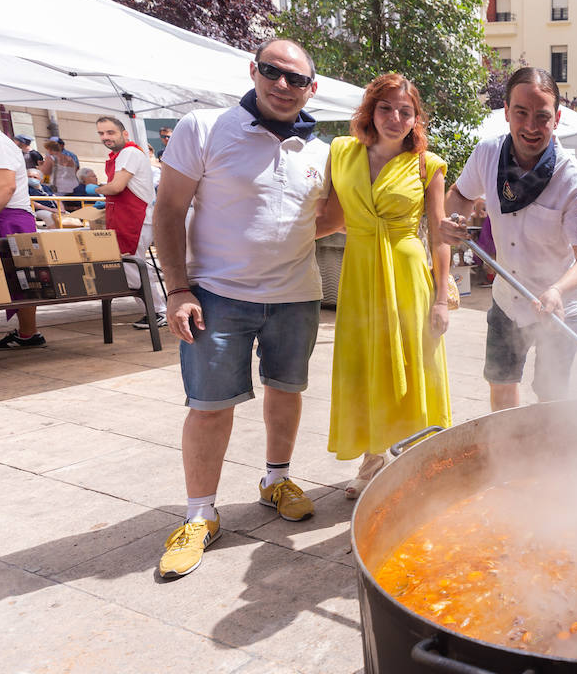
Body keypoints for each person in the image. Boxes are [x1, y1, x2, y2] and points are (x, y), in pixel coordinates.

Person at [152, 38, 330, 578]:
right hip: (216, 296)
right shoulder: (204, 127)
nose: (283, 86)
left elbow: (332, 217)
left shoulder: (320, 150)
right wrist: (178, 289)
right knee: (210, 404)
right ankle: (200, 514)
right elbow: (168, 210)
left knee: (286, 391)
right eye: (274, 73)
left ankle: (275, 480)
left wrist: (289, 241)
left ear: (311, 89)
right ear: (254, 71)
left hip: (296, 295)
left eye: (296, 80)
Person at [317, 73, 452, 499]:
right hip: (359, 273)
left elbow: (439, 233)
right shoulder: (342, 153)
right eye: (386, 108)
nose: (395, 118)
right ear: (370, 111)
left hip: (409, 274)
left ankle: (421, 460)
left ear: (416, 119)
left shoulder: (426, 164)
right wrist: (277, 236)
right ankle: (373, 461)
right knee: (365, 366)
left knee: (417, 367)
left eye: (405, 112)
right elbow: (331, 218)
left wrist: (443, 295)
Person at [439, 67, 577, 411]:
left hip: (560, 308)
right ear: (506, 113)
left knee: (550, 396)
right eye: (521, 113)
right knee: (501, 382)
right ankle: (508, 456)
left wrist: (557, 290)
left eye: (542, 117)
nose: (530, 126)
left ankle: (546, 457)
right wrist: (451, 218)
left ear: (556, 119)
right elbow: (460, 195)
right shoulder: (487, 154)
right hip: (507, 298)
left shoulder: (573, 181)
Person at [94, 115, 166, 328]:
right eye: (101, 133)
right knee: (133, 265)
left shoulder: (129, 152)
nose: (105, 137)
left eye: (110, 132)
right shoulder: (123, 154)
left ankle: (157, 311)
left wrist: (98, 189)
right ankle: (154, 310)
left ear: (124, 133)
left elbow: (116, 187)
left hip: (134, 218)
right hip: (127, 217)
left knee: (132, 265)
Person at [0, 133, 44, 349]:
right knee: (23, 280)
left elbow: (6, 187)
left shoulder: (0, 144)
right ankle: (28, 334)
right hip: (9, 215)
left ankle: (29, 333)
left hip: (10, 216)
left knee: (23, 280)